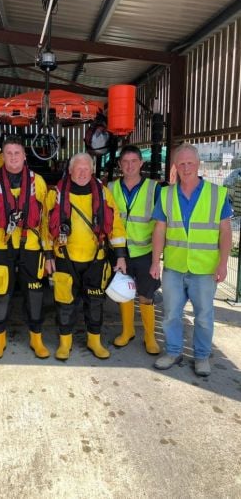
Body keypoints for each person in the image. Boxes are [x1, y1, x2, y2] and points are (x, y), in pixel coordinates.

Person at [150, 143, 232, 376]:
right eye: (181, 163)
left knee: (204, 316)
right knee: (170, 314)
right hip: (174, 267)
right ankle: (173, 352)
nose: (186, 168)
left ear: (198, 165)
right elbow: (159, 230)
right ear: (175, 166)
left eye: (190, 163)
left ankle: (202, 356)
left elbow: (226, 232)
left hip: (205, 269)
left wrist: (223, 263)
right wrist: (156, 261)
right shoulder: (165, 194)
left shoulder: (217, 194)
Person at [46, 152, 127, 360]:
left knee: (95, 302)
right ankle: (65, 343)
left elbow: (115, 225)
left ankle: (94, 341)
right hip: (65, 258)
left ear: (92, 170)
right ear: (70, 170)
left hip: (96, 259)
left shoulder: (103, 193)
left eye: (86, 168)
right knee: (65, 303)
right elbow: (45, 226)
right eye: (78, 168)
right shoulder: (55, 194)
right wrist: (48, 255)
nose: (82, 172)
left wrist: (119, 255)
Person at [0, 136, 50, 360]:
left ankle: (36, 338)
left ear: (24, 155)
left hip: (31, 246)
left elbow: (45, 219)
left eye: (17, 153)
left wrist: (47, 252)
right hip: (0, 246)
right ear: (2, 156)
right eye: (8, 153)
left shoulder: (38, 182)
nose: (13, 157)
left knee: (35, 293)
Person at [108, 145, 161, 354]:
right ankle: (127, 331)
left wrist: (157, 258)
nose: (129, 166)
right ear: (120, 164)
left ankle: (150, 337)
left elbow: (161, 224)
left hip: (145, 252)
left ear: (141, 163)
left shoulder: (154, 189)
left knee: (146, 295)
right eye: (125, 162)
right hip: (119, 253)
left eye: (133, 161)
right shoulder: (111, 187)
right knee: (124, 292)